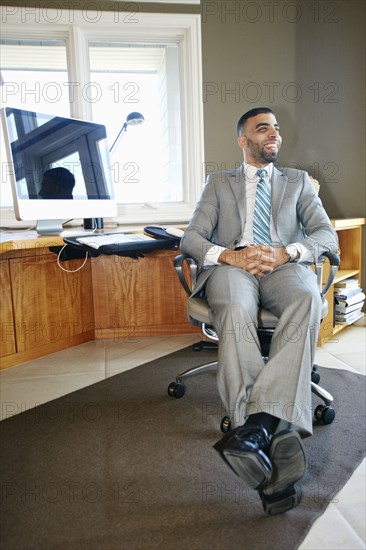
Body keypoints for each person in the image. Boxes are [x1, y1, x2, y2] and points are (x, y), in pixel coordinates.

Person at [180, 107, 339, 515]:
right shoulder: (219, 183)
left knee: (307, 299)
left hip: (283, 267)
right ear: (243, 140)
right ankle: (276, 427)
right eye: (262, 127)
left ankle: (253, 431)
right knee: (233, 307)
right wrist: (229, 258)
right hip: (235, 268)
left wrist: (287, 251)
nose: (274, 134)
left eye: (277, 128)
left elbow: (325, 234)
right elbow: (192, 237)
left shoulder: (298, 182)